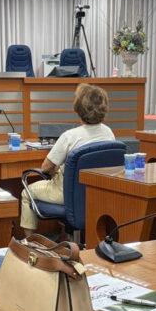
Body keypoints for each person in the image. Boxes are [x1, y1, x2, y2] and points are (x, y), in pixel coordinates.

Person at [20, 83, 115, 235]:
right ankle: (67, 238)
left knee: (26, 192)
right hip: (96, 194)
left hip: (67, 194)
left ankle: (30, 244)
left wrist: (56, 168)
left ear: (78, 109)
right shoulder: (109, 133)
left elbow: (45, 168)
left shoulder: (70, 136)